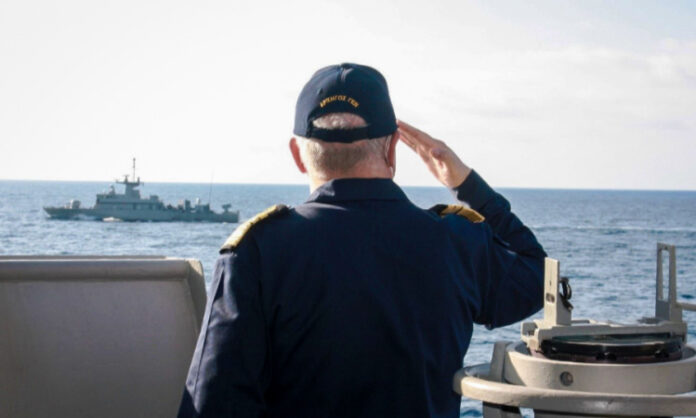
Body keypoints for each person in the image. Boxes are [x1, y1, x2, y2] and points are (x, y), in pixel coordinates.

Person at [178, 63, 546, 418]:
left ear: (298, 155)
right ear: (391, 150)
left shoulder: (256, 252)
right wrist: (466, 184)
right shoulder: (458, 241)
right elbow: (539, 277)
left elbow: (213, 404)